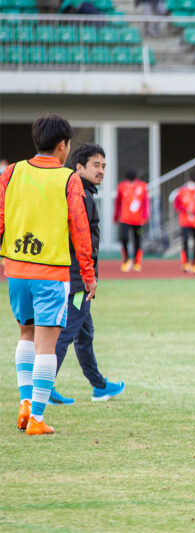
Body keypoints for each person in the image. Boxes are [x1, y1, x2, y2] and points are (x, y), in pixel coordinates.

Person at [1, 114, 97, 435]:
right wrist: (89, 274)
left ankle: (25, 401)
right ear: (62, 145)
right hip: (51, 273)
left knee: (25, 335)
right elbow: (80, 231)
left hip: (15, 269)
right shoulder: (68, 179)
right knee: (46, 345)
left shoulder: (11, 173)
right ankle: (37, 418)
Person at [50, 144, 125, 405]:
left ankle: (99, 386)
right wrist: (88, 276)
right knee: (66, 332)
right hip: (77, 278)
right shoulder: (81, 195)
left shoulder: (82, 193)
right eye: (96, 165)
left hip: (77, 276)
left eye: (104, 166)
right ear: (78, 167)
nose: (101, 170)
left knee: (84, 333)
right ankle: (45, 386)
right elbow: (81, 241)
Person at [114, 170, 149, 273]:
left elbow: (145, 201)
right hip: (124, 218)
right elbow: (118, 202)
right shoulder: (121, 186)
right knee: (124, 238)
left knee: (137, 240)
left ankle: (137, 262)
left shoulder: (142, 186)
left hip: (137, 220)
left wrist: (145, 215)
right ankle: (126, 260)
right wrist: (116, 216)